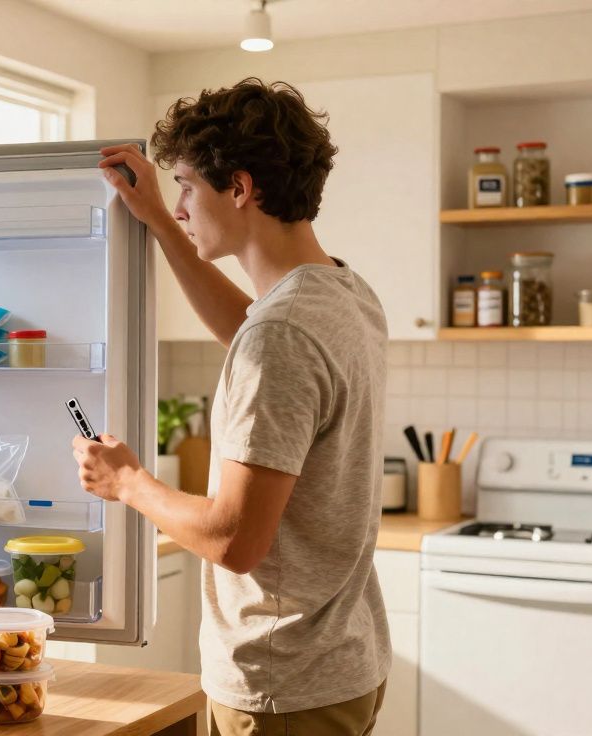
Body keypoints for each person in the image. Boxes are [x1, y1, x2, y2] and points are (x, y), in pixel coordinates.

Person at [71, 78, 391, 736]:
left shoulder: (281, 337)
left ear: (240, 189)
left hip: (281, 687)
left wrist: (127, 481)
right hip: (340, 663)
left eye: (186, 186)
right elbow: (249, 329)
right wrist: (160, 223)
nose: (183, 206)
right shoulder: (342, 291)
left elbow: (234, 540)